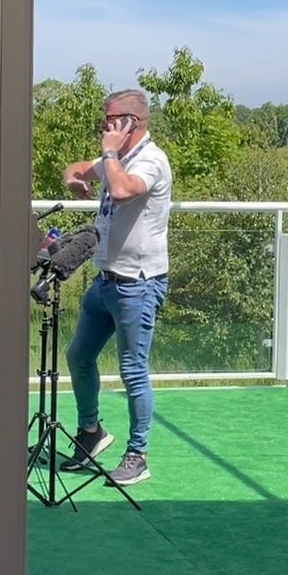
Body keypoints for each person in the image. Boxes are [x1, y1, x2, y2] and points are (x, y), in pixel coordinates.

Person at [58, 89, 172, 487]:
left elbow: (123, 191)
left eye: (111, 121)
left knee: (132, 371)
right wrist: (73, 178)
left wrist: (107, 155)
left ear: (131, 123)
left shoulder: (152, 161)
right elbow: (74, 168)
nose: (105, 127)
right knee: (78, 357)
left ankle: (137, 454)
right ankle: (91, 433)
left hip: (137, 285)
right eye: (105, 121)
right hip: (105, 279)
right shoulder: (116, 159)